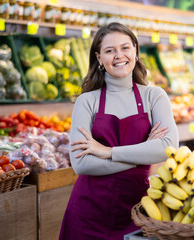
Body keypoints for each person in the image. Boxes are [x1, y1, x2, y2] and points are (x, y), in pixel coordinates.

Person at [59, 22, 179, 240]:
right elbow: (81, 164)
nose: (119, 56)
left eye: (125, 48)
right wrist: (142, 155)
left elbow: (168, 148)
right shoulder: (87, 101)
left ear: (135, 50)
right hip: (88, 212)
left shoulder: (154, 96)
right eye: (109, 50)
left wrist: (108, 152)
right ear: (99, 58)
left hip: (137, 211)